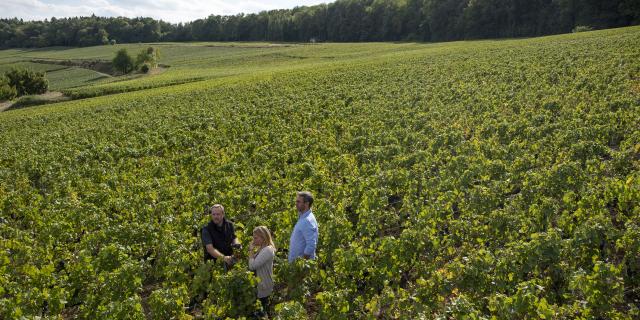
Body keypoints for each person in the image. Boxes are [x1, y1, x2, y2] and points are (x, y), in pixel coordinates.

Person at [248, 226, 276, 316]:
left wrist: (251, 251)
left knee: (263, 313)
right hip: (261, 285)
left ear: (263, 238)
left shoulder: (267, 250)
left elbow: (252, 266)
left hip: (264, 286)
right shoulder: (262, 248)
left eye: (255, 238)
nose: (253, 240)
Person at [288, 191, 318, 262]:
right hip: (295, 264)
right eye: (296, 201)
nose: (296, 204)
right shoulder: (303, 217)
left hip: (300, 268)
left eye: (298, 202)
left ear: (307, 203)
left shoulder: (307, 220)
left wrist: (302, 264)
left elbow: (311, 245)